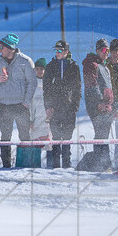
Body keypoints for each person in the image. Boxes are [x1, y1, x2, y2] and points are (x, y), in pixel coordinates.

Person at [0, 33, 37, 168]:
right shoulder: (0, 62)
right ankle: (6, 165)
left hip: (20, 105)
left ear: (9, 47)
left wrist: (27, 101)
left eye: (1, 47)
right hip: (4, 105)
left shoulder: (25, 61)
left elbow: (32, 83)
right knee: (5, 136)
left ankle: (26, 164)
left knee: (24, 135)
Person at [43, 39, 82, 168]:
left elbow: (77, 89)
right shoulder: (50, 66)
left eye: (60, 50)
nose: (57, 53)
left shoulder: (73, 66)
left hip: (69, 107)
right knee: (55, 136)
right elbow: (46, 89)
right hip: (54, 107)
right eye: (56, 50)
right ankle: (55, 165)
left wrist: (75, 107)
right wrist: (48, 107)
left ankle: (66, 164)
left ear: (66, 52)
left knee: (67, 137)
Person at [82, 38, 114, 166]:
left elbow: (108, 88)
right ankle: (100, 162)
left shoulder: (104, 66)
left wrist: (111, 104)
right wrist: (99, 103)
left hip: (106, 106)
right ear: (97, 50)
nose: (106, 52)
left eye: (108, 50)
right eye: (103, 49)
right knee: (101, 133)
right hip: (96, 106)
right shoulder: (92, 64)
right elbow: (92, 86)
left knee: (104, 134)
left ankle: (103, 162)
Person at [20, 58, 51, 168]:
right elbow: (30, 105)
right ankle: (35, 166)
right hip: (36, 119)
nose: (40, 71)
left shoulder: (49, 83)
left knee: (49, 144)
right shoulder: (32, 84)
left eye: (42, 69)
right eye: (37, 69)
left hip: (47, 119)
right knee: (35, 144)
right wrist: (30, 120)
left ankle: (51, 168)